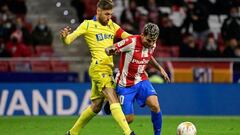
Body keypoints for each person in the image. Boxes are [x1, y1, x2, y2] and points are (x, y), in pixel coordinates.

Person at [59, 0, 135, 135]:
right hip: (99, 68)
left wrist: (143, 39)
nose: (109, 17)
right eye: (106, 14)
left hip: (107, 68)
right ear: (98, 11)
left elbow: (130, 38)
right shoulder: (87, 24)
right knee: (112, 96)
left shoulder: (112, 25)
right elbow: (69, 40)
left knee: (96, 105)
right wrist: (64, 38)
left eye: (110, 14)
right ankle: (128, 133)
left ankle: (72, 132)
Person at [105, 23, 170, 135]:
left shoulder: (152, 45)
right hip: (125, 84)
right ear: (142, 35)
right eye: (149, 40)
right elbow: (109, 49)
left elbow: (148, 57)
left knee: (155, 106)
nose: (151, 44)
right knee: (129, 119)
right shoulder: (131, 42)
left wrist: (160, 69)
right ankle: (111, 100)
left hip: (141, 80)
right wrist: (111, 51)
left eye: (153, 41)